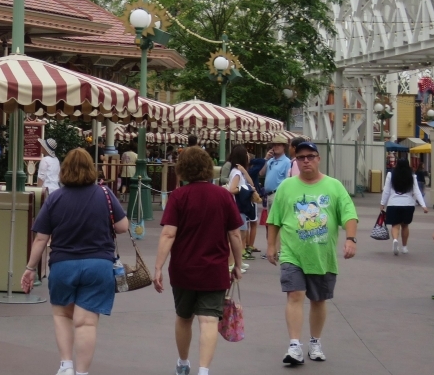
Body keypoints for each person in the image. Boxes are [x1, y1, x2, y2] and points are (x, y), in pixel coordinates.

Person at [21, 149, 129, 375]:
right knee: (86, 323)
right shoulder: (105, 194)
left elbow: (41, 237)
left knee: (62, 315)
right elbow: (122, 227)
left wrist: (30, 268)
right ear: (92, 168)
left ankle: (66, 365)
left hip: (63, 265)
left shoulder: (55, 198)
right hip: (98, 265)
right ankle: (82, 372)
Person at [266, 140, 358, 365]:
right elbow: (274, 220)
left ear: (318, 158)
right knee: (295, 295)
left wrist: (350, 239)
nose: (305, 161)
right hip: (292, 253)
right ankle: (295, 345)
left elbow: (349, 214)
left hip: (321, 255)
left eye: (310, 156)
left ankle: (314, 342)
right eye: (301, 157)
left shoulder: (334, 186)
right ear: (296, 160)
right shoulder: (287, 186)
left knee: (318, 300)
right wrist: (271, 246)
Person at [153, 147, 244, 375]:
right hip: (214, 269)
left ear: (182, 169)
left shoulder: (178, 196)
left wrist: (158, 267)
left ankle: (183, 363)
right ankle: (204, 370)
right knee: (208, 320)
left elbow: (168, 234)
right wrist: (238, 265)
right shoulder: (223, 196)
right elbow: (235, 234)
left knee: (184, 318)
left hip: (183, 268)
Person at [380, 159, 429, 255]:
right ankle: (404, 247)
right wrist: (423, 205)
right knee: (405, 225)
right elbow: (416, 191)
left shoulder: (391, 175)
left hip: (393, 203)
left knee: (395, 225)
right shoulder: (412, 176)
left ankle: (395, 240)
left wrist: (382, 204)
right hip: (408, 204)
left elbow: (386, 191)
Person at [225, 145, 255, 264]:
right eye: (246, 153)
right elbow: (232, 189)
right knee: (239, 235)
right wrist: (244, 188)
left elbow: (251, 183)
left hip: (239, 206)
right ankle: (231, 263)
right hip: (239, 206)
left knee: (239, 235)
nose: (248, 156)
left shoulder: (238, 171)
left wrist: (244, 172)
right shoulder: (237, 173)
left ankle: (235, 262)